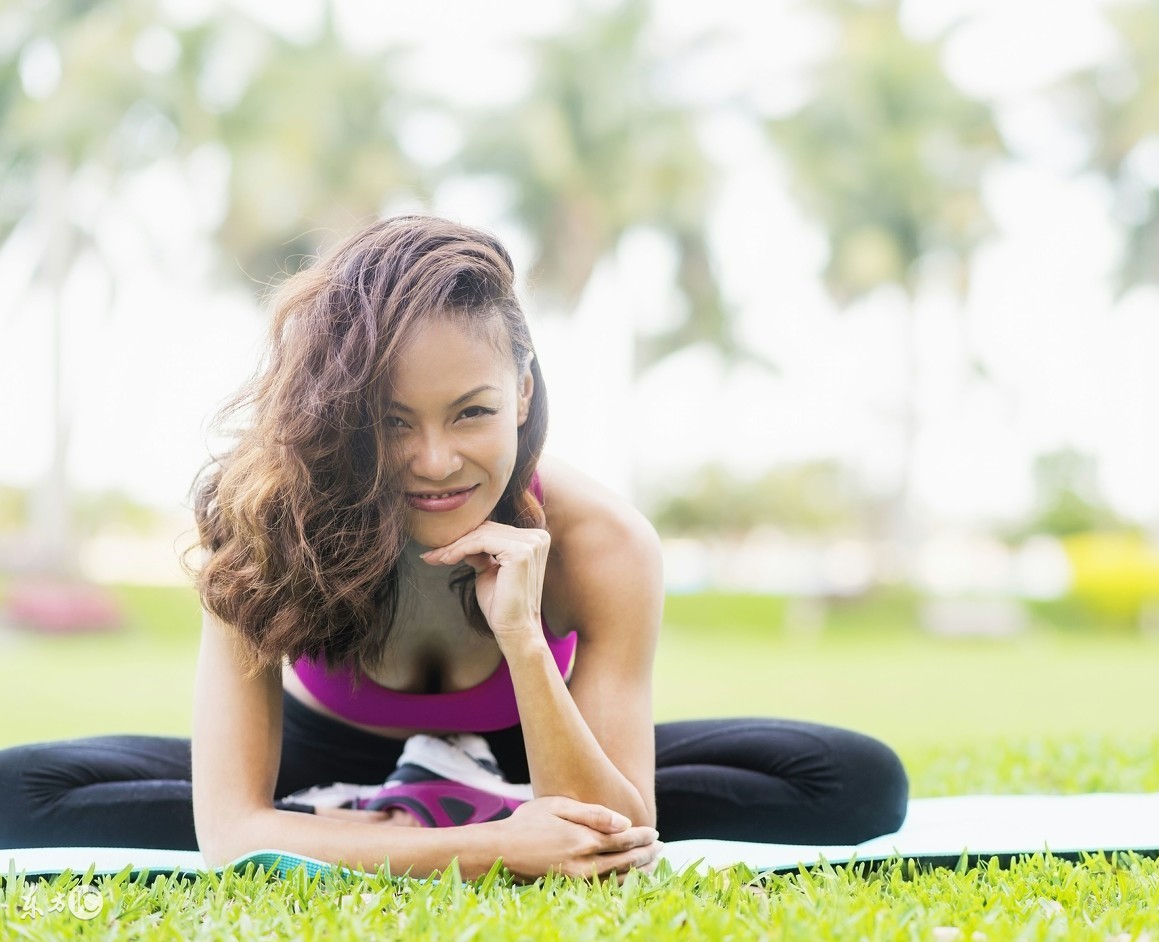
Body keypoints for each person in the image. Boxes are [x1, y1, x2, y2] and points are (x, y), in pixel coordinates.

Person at [0, 215, 907, 880]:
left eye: (470, 411)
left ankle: (355, 825)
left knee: (857, 779)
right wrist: (494, 845)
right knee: (18, 791)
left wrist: (521, 639)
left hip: (530, 749)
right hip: (322, 760)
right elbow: (233, 830)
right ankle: (393, 807)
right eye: (392, 423)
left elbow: (619, 833)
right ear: (343, 414)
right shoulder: (268, 519)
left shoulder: (605, 543)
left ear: (520, 392)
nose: (434, 461)